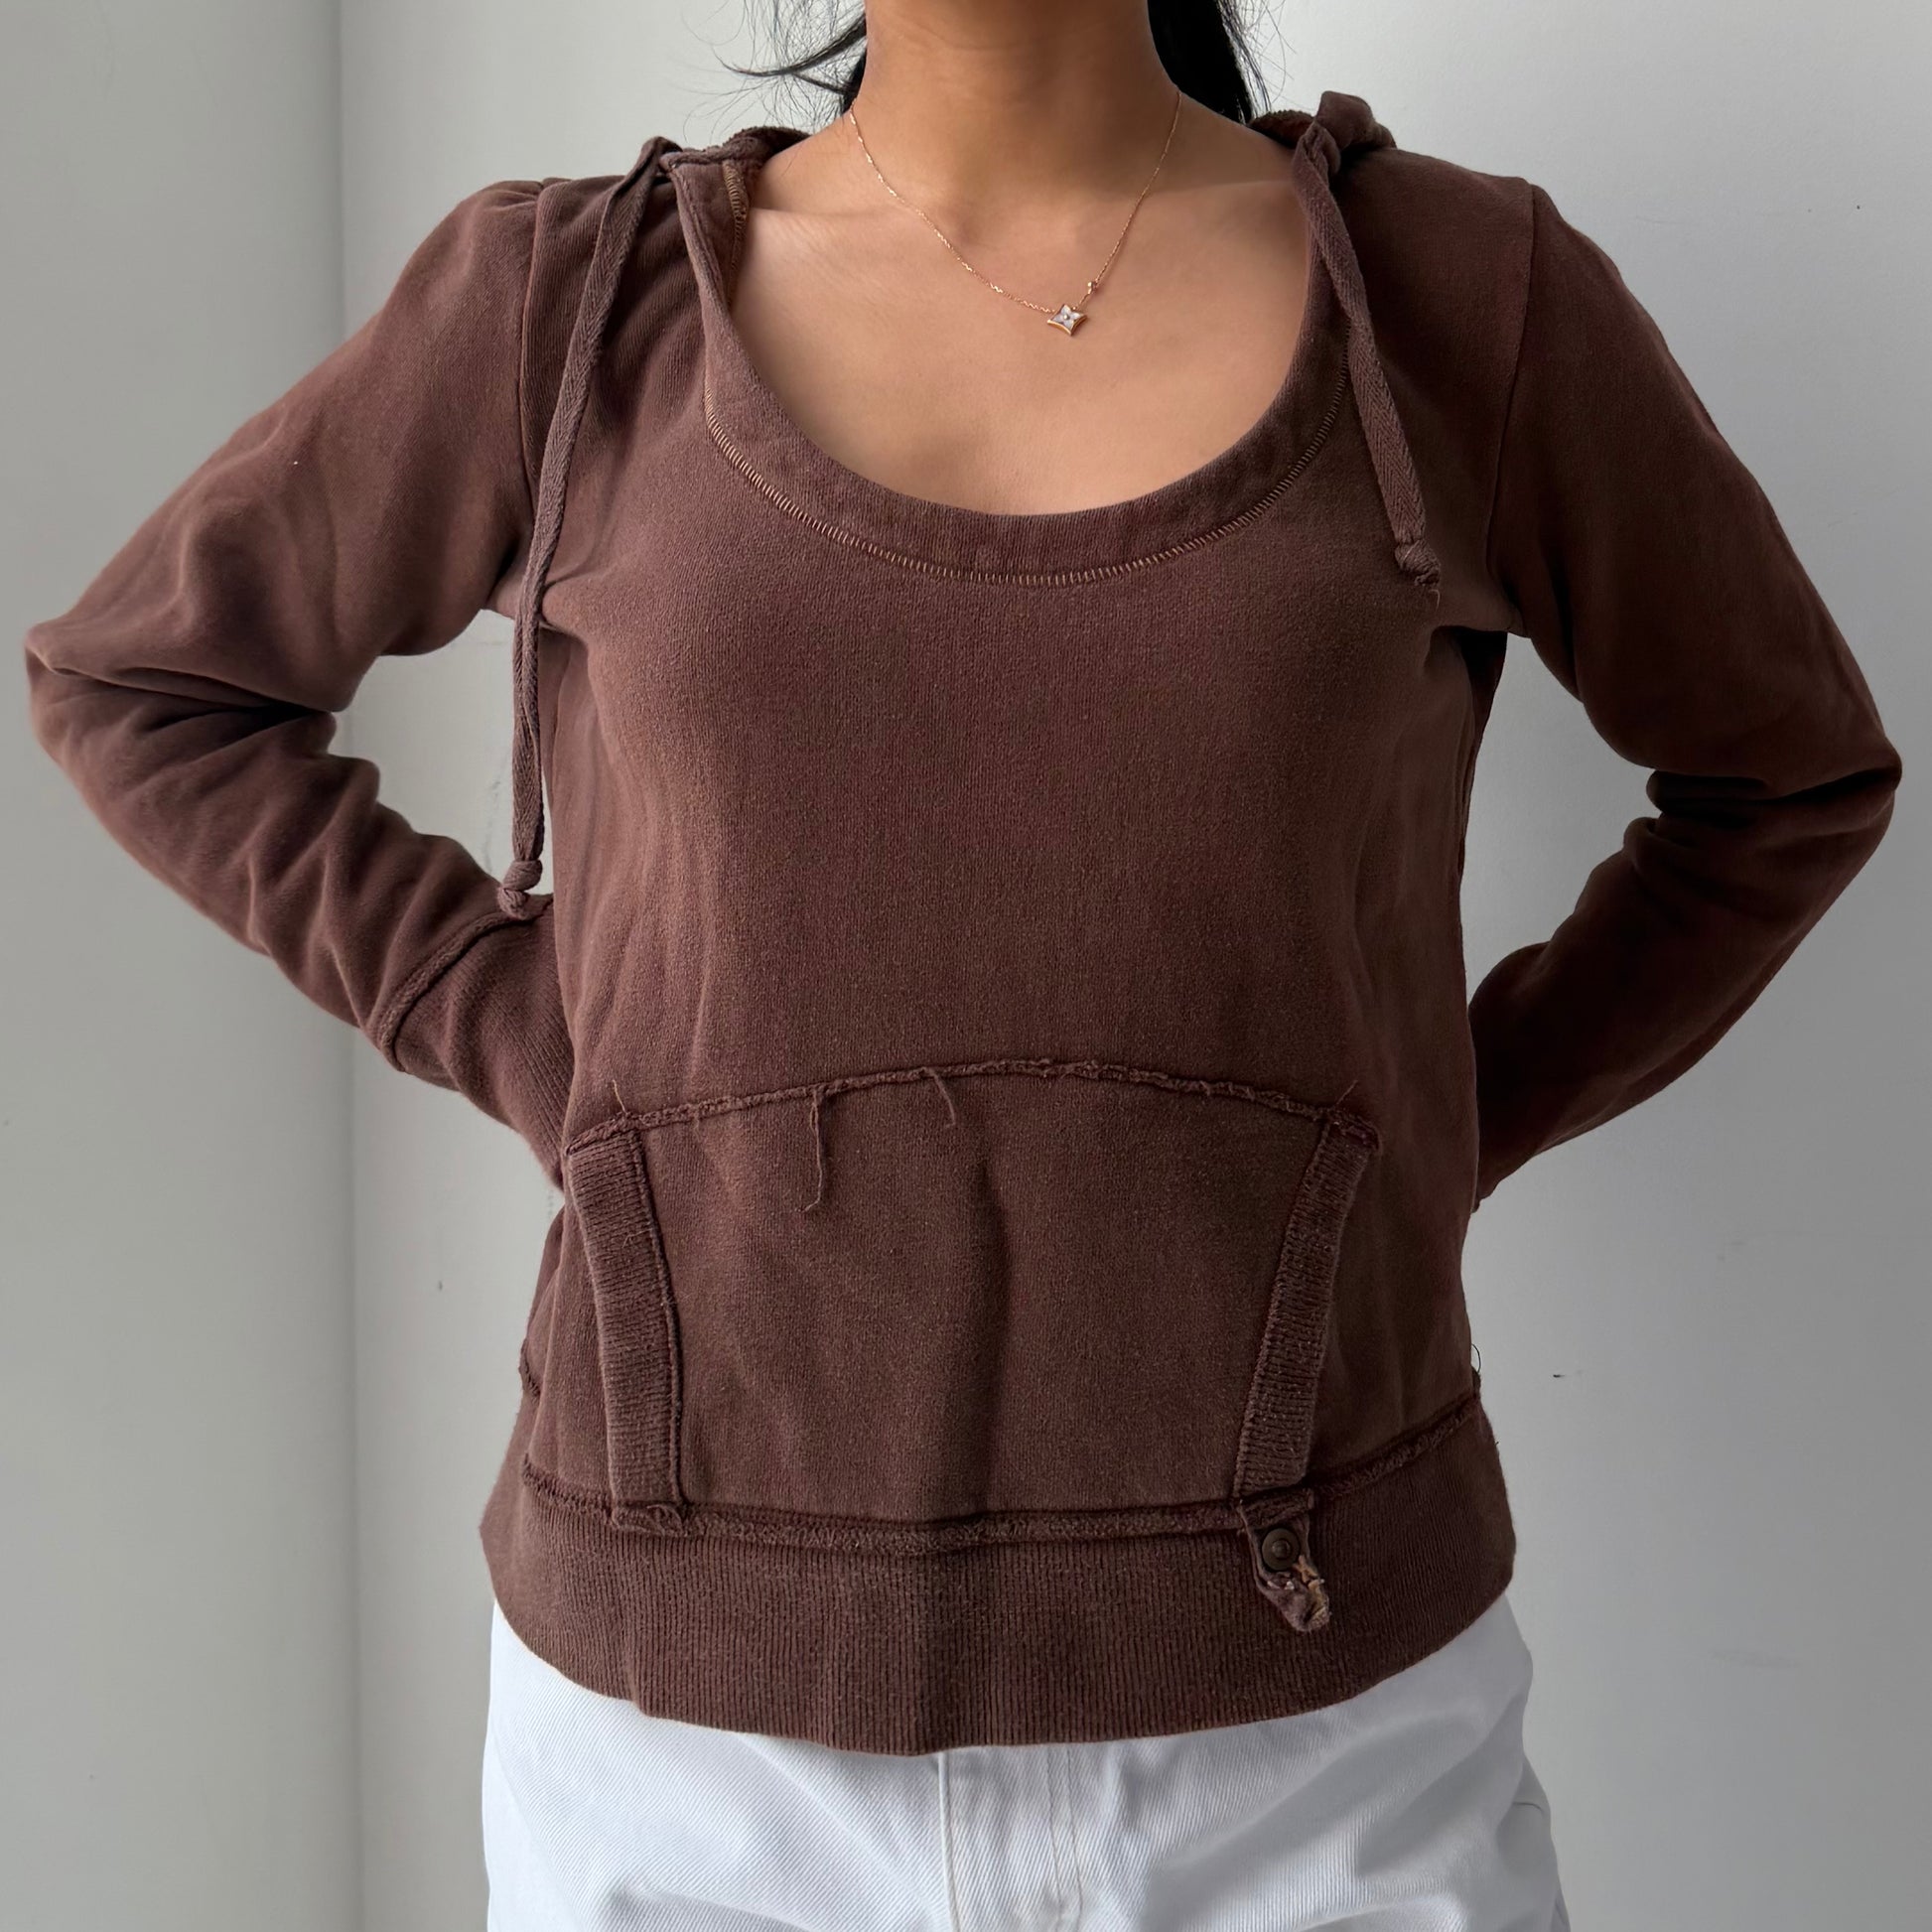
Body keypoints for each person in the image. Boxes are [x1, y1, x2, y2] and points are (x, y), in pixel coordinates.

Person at [22, 2, 1900, 1927]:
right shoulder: (564, 304)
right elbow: (146, 685)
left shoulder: (1460, 298)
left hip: (1317, 1734)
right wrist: (521, 1022)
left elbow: (1783, 780)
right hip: (690, 1754)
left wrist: (1431, 1121)